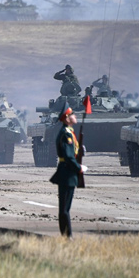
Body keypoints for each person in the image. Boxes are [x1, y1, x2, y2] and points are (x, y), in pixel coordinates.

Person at [49, 102, 87, 238]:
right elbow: (68, 156)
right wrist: (79, 167)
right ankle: (67, 236)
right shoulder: (66, 134)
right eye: (72, 114)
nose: (75, 116)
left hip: (67, 172)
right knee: (64, 208)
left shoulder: (69, 133)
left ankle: (66, 235)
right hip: (66, 172)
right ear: (66, 118)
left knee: (65, 208)